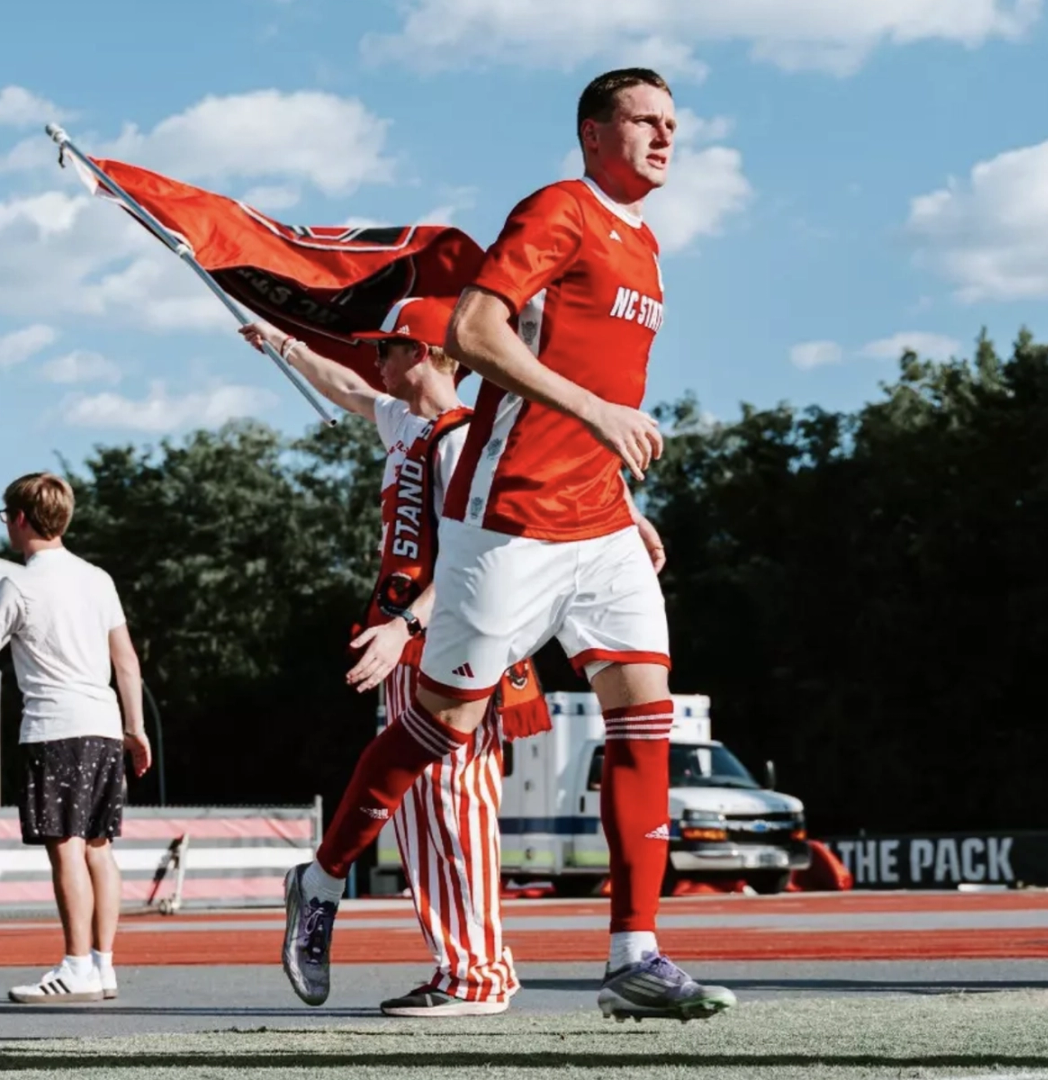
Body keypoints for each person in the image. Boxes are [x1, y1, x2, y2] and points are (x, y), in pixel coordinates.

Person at [278, 67, 733, 1022]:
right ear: (593, 133)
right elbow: (476, 329)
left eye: (673, 123)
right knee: (439, 726)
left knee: (645, 716)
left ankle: (635, 955)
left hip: (599, 522)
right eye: (645, 120)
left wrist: (622, 497)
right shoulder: (560, 208)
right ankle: (319, 881)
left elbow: (598, 387)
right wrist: (595, 412)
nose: (666, 136)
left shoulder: (649, 248)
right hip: (509, 517)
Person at [240, 298, 550, 1016]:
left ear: (421, 351)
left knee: (456, 802)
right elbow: (348, 389)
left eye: (386, 347)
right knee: (421, 809)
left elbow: (478, 558)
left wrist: (405, 624)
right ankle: (460, 966)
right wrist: (282, 345)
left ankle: (478, 972)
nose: (374, 360)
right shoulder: (409, 425)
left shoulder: (465, 438)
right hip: (418, 646)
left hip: (452, 642)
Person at [0, 472, 151, 1004]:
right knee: (97, 848)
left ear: (20, 519)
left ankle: (75, 965)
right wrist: (135, 729)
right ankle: (102, 966)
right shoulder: (97, 578)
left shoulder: (18, 584)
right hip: (104, 726)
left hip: (54, 729)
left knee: (65, 848)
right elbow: (126, 662)